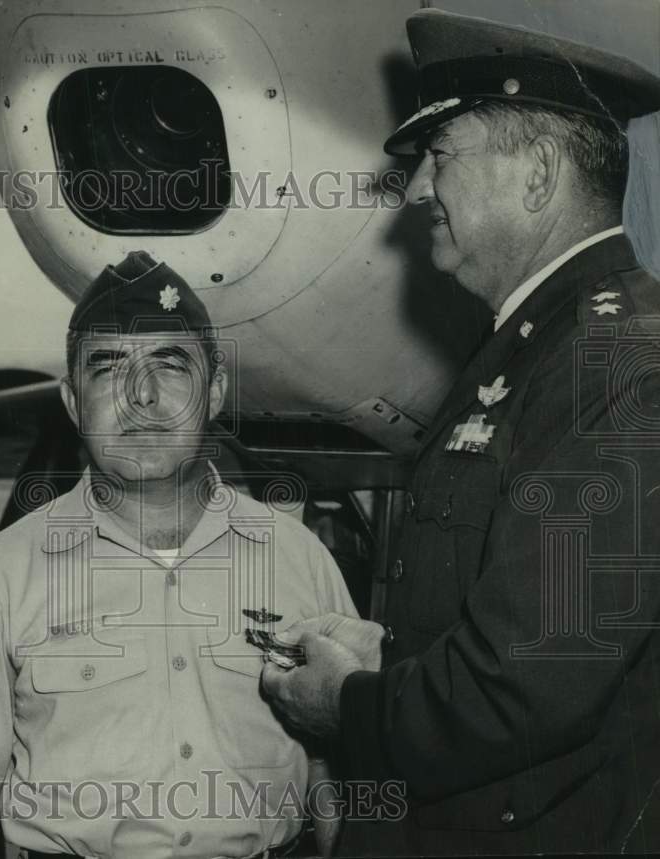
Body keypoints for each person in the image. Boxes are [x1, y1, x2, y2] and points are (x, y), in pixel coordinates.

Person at [262, 9, 660, 856]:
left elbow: (533, 681)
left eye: (440, 157)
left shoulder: (614, 360)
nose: (413, 193)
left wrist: (349, 706)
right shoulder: (543, 344)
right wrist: (388, 654)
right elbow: (511, 612)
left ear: (539, 172)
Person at [0, 251, 360, 858]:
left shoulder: (300, 558)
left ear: (214, 392)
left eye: (171, 363)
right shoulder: (5, 573)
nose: (142, 395)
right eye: (108, 367)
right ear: (74, 402)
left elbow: (334, 773)